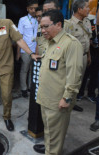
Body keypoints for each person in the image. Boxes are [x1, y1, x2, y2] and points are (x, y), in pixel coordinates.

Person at [0, 7, 40, 131]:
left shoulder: (7, 24)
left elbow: (19, 40)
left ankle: (7, 117)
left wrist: (31, 53)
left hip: (6, 66)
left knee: (6, 95)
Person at [33, 10, 83, 154]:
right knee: (49, 132)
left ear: (59, 25)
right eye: (41, 27)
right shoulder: (49, 42)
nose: (42, 30)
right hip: (45, 98)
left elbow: (74, 76)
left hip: (58, 102)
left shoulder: (71, 44)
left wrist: (67, 98)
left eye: (46, 26)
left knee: (55, 139)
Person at [65, 0, 92, 103]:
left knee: (79, 81)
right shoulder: (69, 25)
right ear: (79, 10)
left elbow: (87, 40)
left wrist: (88, 55)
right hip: (74, 57)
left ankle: (73, 102)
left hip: (84, 57)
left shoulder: (87, 22)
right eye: (87, 7)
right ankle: (67, 101)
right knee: (72, 81)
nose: (89, 9)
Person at [16, 0, 38, 98]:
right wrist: (18, 53)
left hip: (36, 49)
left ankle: (30, 87)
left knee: (33, 69)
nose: (33, 10)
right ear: (27, 9)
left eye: (35, 8)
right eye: (31, 8)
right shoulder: (23, 20)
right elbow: (19, 37)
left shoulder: (40, 19)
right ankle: (24, 89)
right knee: (24, 69)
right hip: (25, 49)